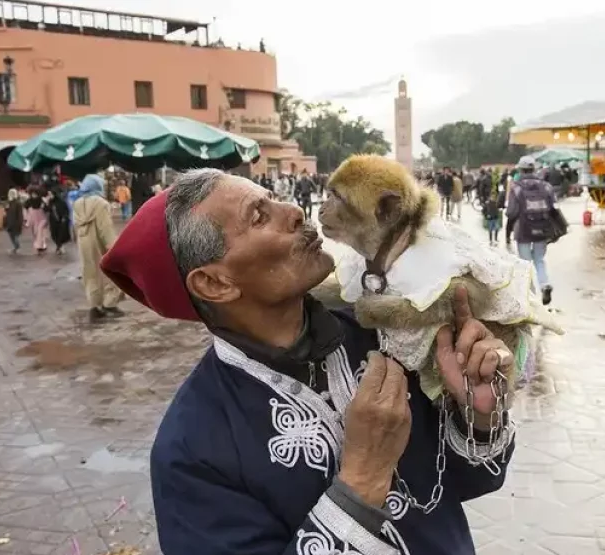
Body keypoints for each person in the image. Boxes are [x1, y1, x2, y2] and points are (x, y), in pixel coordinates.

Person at [100, 169, 516, 555]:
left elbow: (466, 479)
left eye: (275, 198)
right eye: (260, 216)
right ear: (214, 283)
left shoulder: (386, 334)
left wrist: (479, 415)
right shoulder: (191, 450)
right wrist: (363, 480)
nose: (296, 211)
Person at [73, 174, 124, 323]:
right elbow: (105, 228)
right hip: (99, 243)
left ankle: (94, 306)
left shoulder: (77, 203)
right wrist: (114, 248)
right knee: (111, 272)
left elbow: (76, 225)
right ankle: (110, 304)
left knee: (89, 274)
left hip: (84, 243)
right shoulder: (101, 203)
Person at [506, 156, 556, 306]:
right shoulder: (546, 187)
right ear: (534, 169)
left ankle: (532, 296)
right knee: (540, 260)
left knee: (525, 263)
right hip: (542, 230)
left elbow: (511, 213)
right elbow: (554, 208)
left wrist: (508, 232)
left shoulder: (516, 188)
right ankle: (545, 285)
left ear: (520, 170)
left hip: (523, 231)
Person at [45, 188, 72, 255]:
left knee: (60, 234)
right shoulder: (50, 202)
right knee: (54, 234)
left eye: (50, 194)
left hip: (61, 221)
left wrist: (64, 217)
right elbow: (48, 210)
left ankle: (59, 246)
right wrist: (45, 204)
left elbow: (66, 210)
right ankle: (59, 246)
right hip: (53, 221)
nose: (50, 195)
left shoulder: (61, 202)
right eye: (49, 194)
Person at [24, 187, 49, 254]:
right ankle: (41, 244)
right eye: (32, 194)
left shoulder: (41, 200)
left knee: (40, 230)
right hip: (33, 217)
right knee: (35, 232)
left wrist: (44, 206)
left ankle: (39, 245)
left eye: (35, 194)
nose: (34, 195)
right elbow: (25, 207)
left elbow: (46, 209)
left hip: (41, 217)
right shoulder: (29, 200)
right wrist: (27, 219)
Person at [4, 188, 24, 254]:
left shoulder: (18, 203)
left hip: (16, 222)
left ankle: (17, 247)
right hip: (9, 222)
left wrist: (20, 223)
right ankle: (15, 247)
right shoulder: (9, 202)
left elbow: (20, 214)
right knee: (11, 236)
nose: (10, 195)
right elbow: (7, 212)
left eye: (12, 194)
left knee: (15, 236)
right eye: (10, 193)